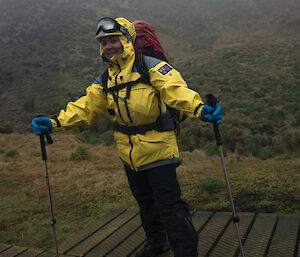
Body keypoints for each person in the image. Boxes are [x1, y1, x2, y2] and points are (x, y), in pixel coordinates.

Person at [32, 17, 222, 257]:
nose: (109, 46)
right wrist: (54, 123)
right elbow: (86, 108)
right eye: (104, 43)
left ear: (126, 40)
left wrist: (200, 109)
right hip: (128, 153)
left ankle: (185, 252)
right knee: (145, 203)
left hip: (159, 148)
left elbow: (175, 90)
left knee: (170, 206)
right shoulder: (106, 79)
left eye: (113, 40)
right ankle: (157, 244)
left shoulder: (149, 66)